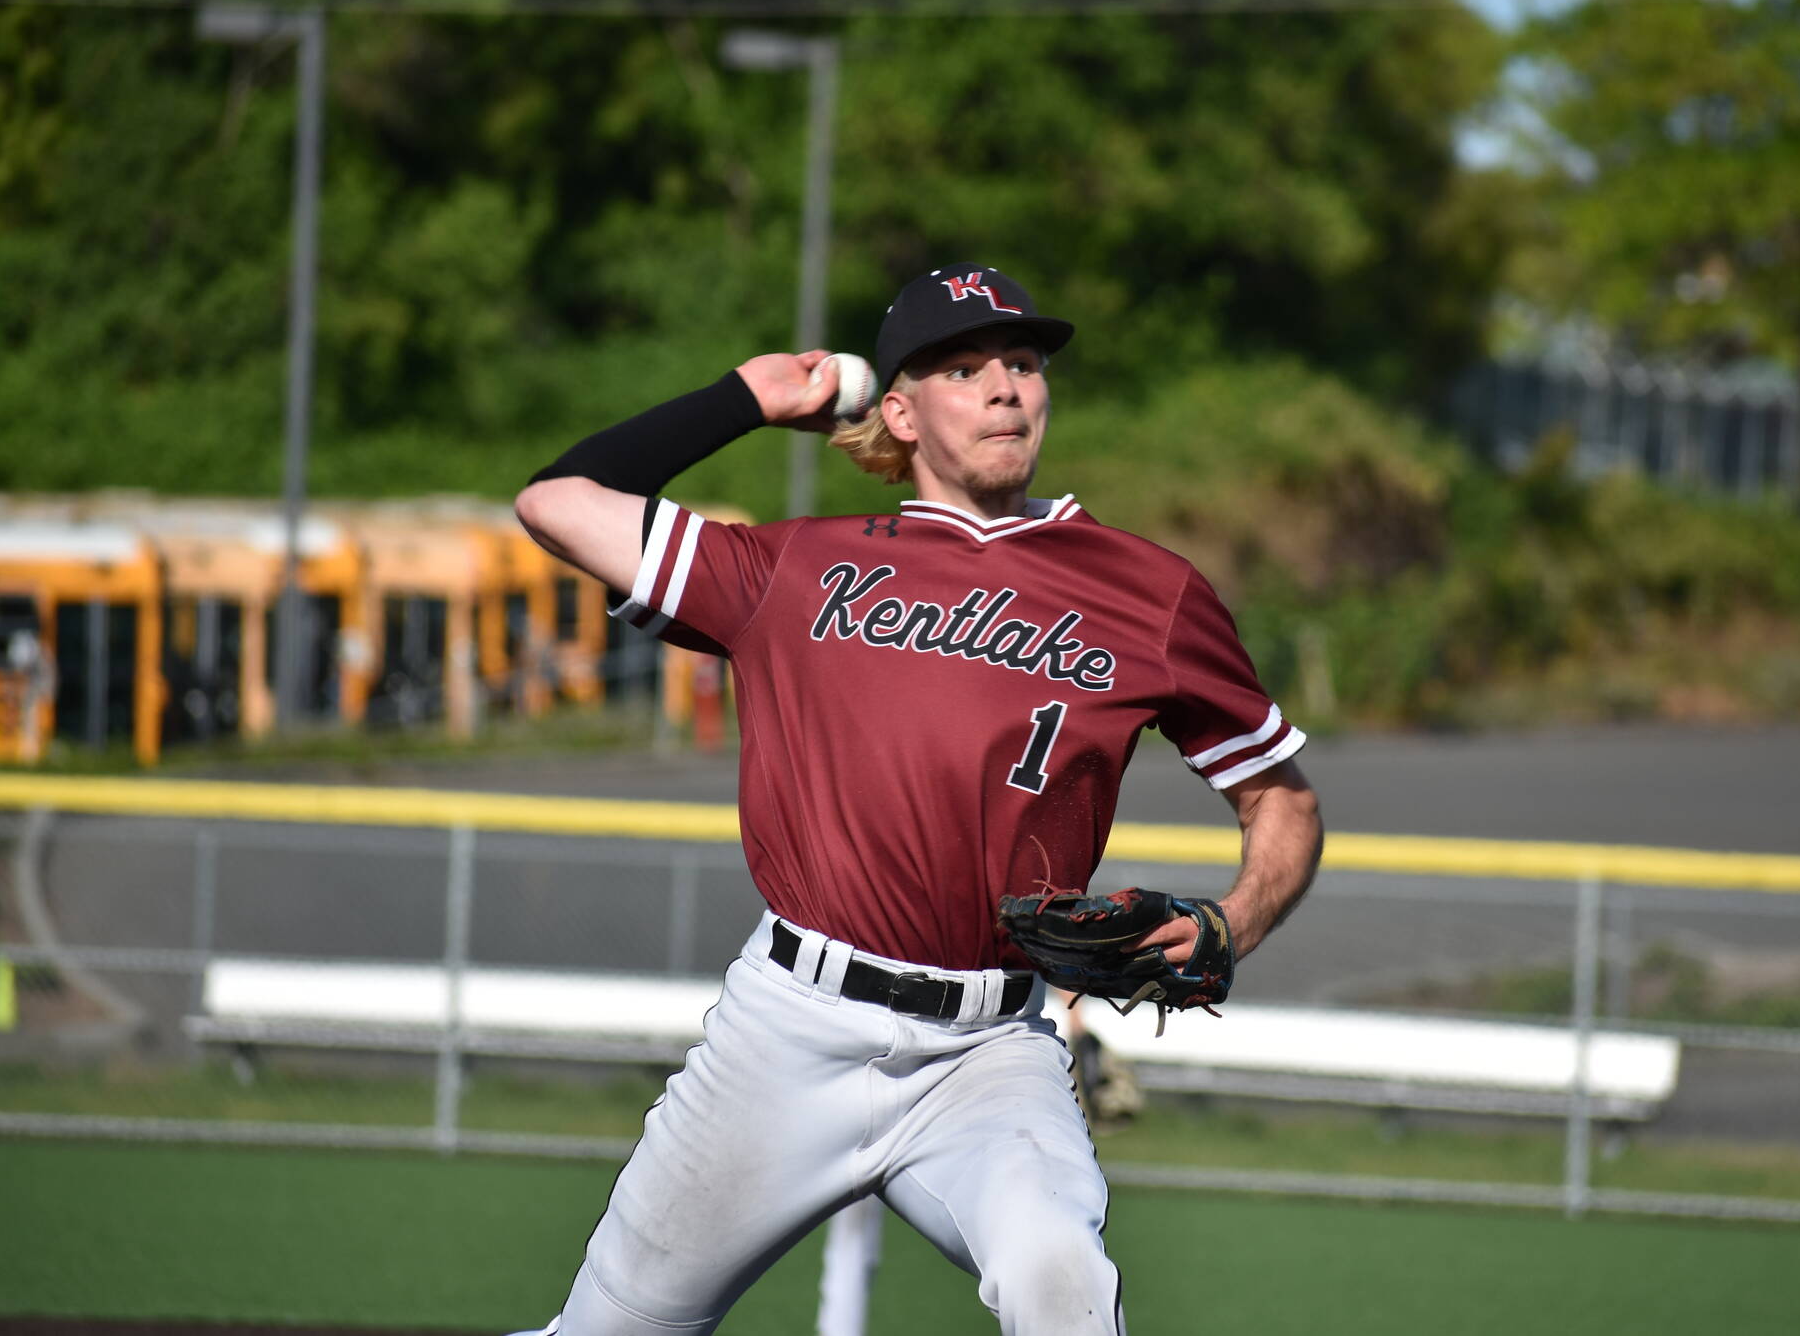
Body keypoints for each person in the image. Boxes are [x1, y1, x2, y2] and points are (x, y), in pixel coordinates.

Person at [511, 261, 1323, 1335]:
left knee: (1058, 1280)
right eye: (962, 366)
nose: (1004, 387)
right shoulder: (792, 568)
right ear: (896, 410)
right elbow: (558, 503)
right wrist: (748, 401)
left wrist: (1236, 918)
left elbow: (1281, 802)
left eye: (1023, 363)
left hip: (989, 1056)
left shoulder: (1149, 593)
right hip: (789, 1033)